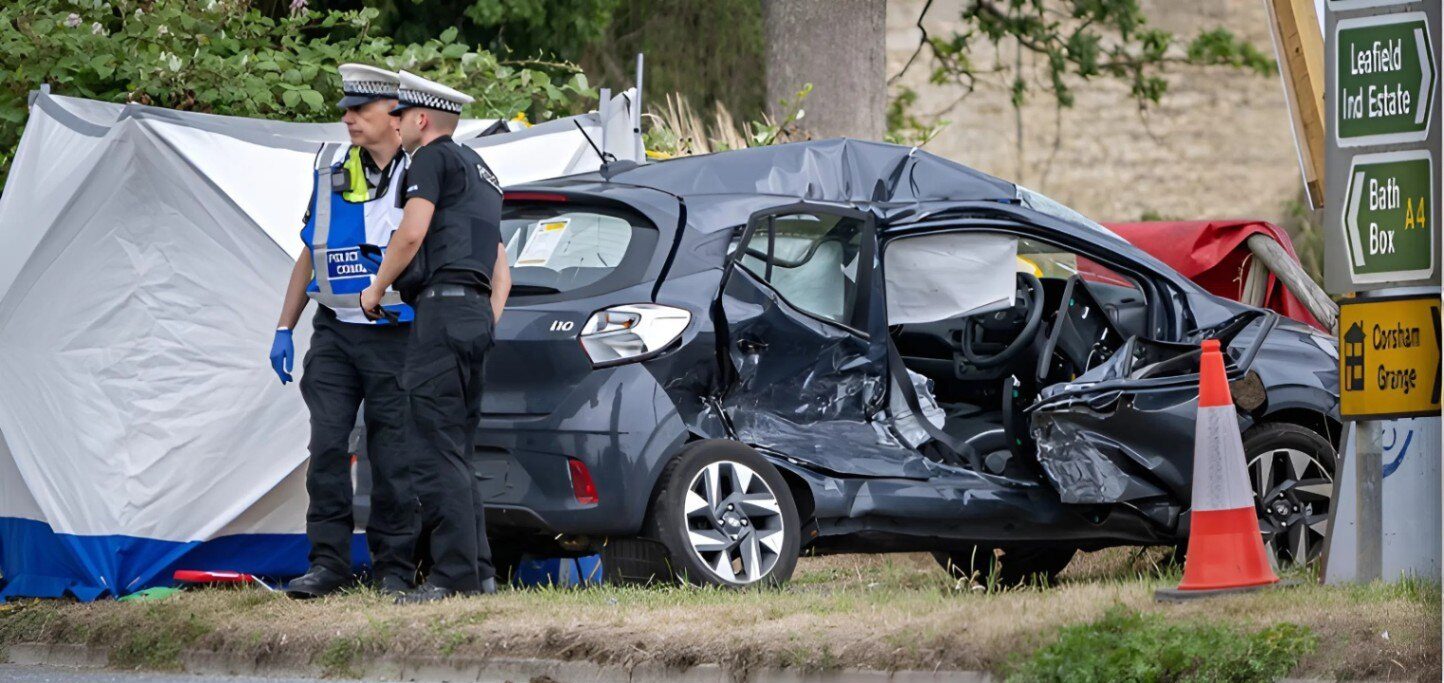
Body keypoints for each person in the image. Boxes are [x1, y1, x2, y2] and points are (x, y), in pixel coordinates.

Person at [360, 70, 511, 603]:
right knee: (458, 452)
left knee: (432, 450)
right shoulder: (483, 169)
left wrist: (376, 288)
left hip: (441, 315)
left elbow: (412, 232)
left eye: (399, 116)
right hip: (473, 317)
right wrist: (484, 320)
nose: (394, 126)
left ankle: (452, 578)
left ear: (421, 119)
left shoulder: (431, 158)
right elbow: (502, 272)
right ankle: (481, 573)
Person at [268, 64, 419, 599]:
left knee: (392, 455)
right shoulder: (331, 166)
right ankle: (327, 564)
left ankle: (394, 568)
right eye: (346, 111)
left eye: (361, 110)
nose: (349, 119)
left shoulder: (420, 172)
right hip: (334, 332)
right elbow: (310, 251)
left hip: (395, 332)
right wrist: (285, 326)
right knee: (327, 445)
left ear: (395, 118)